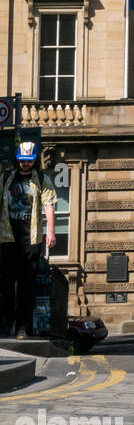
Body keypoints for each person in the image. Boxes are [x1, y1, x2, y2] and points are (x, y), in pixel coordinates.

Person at [0, 141, 57, 338]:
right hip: (7, 237)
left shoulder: (41, 179)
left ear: (34, 160)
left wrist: (50, 232)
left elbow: (49, 205)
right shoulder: (6, 178)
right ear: (17, 159)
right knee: (5, 284)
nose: (25, 164)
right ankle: (9, 319)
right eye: (22, 161)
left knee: (27, 285)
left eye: (29, 161)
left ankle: (23, 326)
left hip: (31, 239)